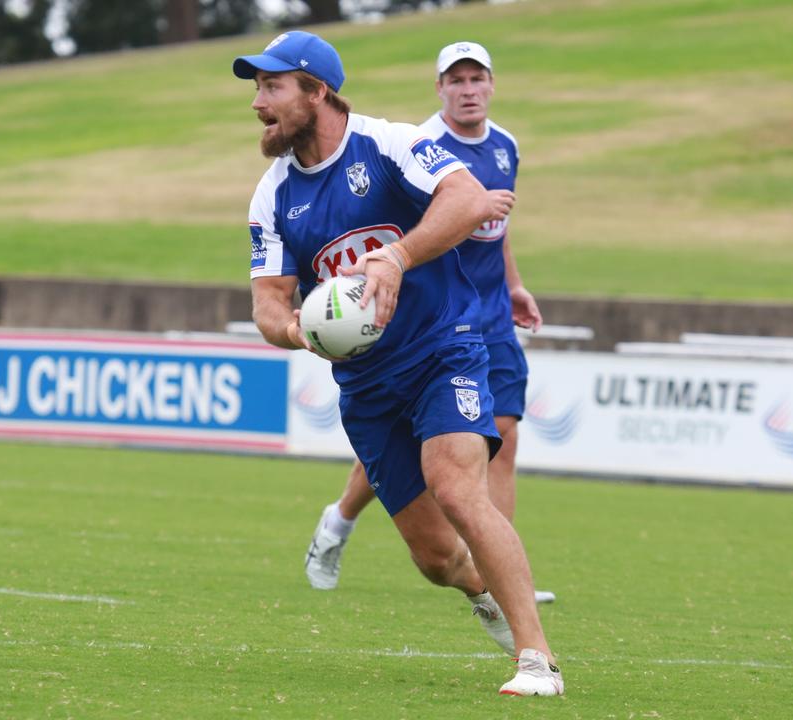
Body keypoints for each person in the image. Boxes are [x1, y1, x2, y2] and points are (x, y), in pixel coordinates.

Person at [236, 31, 563, 696]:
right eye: (257, 89)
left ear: (316, 91)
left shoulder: (388, 143)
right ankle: (485, 591)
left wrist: (397, 256)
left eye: (272, 87)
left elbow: (469, 201)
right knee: (437, 558)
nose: (258, 104)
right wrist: (302, 331)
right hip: (365, 386)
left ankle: (537, 660)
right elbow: (268, 306)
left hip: (444, 349)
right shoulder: (272, 198)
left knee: (457, 487)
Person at [305, 41, 555, 605]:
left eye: (477, 78)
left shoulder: (506, 145)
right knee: (418, 446)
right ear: (439, 88)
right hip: (436, 318)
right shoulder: (418, 146)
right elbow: (425, 228)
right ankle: (339, 518)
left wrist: (514, 283)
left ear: (491, 84)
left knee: (502, 439)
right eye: (456, 80)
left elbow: (499, 227)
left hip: (491, 313)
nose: (468, 90)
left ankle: (498, 573)